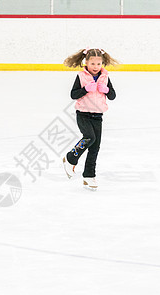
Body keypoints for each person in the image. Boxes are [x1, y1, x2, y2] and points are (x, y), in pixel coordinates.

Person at [62, 48, 118, 190]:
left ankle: (89, 176)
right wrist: (86, 89)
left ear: (102, 64)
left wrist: (107, 90)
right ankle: (71, 158)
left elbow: (112, 96)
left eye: (98, 64)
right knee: (89, 137)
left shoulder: (105, 77)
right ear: (86, 62)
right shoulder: (81, 76)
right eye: (92, 63)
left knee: (95, 148)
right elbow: (73, 95)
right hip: (83, 114)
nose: (95, 67)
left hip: (98, 116)